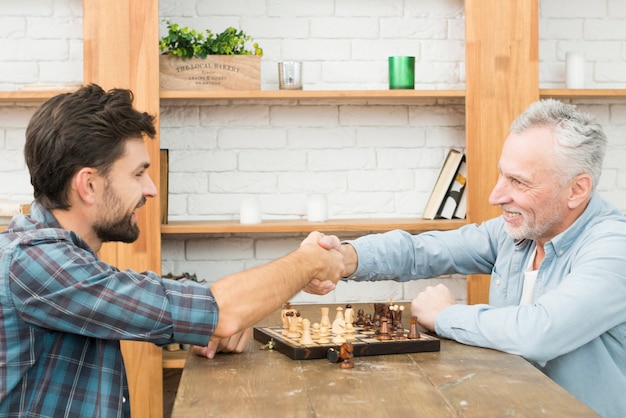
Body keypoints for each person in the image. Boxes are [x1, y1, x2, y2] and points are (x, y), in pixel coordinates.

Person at [0, 84, 344, 417]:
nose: (150, 190)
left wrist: (209, 325)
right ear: (89, 184)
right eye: (138, 174)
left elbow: (186, 308)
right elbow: (222, 312)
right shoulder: (34, 263)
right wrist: (311, 261)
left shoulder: (55, 257)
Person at [316, 99, 626, 417]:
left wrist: (445, 315)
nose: (496, 196)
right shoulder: (521, 232)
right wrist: (345, 258)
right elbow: (420, 252)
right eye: (502, 176)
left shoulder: (615, 248)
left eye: (518, 182)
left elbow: (540, 332)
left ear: (576, 190)